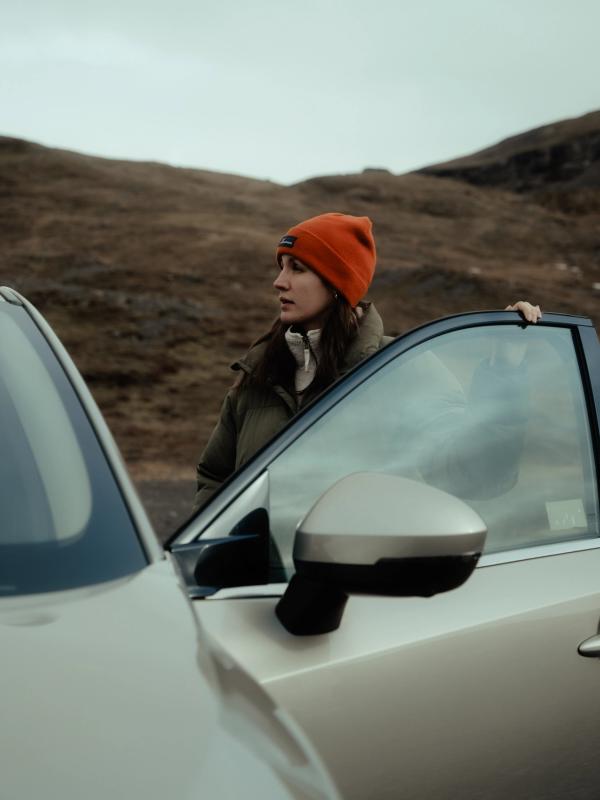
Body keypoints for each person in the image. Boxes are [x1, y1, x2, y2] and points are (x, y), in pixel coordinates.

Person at [194, 212, 541, 509]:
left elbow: (475, 473)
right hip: (256, 570)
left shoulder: (400, 367)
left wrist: (504, 369)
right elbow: (215, 477)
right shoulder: (258, 374)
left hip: (358, 567)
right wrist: (215, 553)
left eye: (297, 268)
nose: (279, 282)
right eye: (281, 267)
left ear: (337, 282)